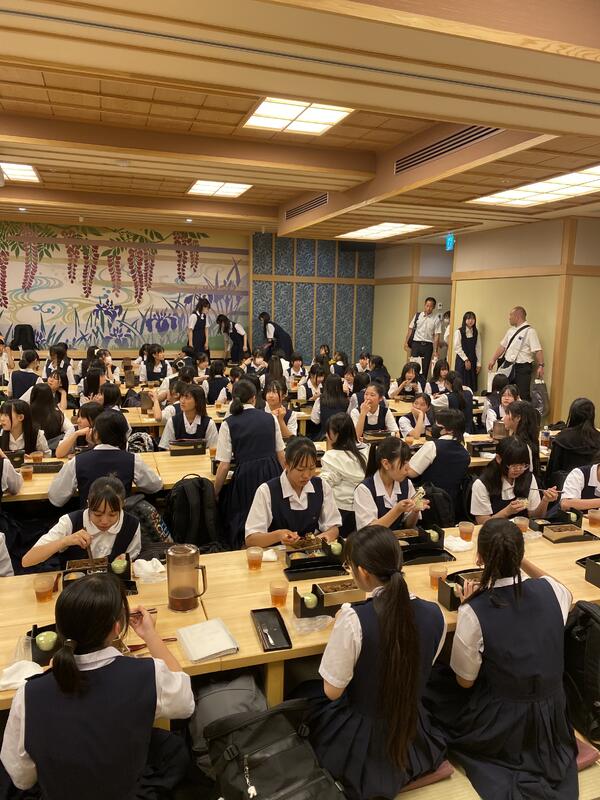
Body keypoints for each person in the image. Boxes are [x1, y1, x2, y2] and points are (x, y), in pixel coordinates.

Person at [0, 573, 194, 799]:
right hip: (125, 791)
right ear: (117, 627)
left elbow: (22, 778)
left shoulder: (28, 694)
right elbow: (185, 702)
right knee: (172, 747)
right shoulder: (149, 674)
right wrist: (150, 634)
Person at [431, 519, 577, 799]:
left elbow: (465, 682)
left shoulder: (474, 610)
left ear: (479, 558)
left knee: (437, 685)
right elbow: (555, 584)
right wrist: (519, 560)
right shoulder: (553, 591)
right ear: (520, 555)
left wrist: (467, 607)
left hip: (503, 722)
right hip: (553, 712)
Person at [302, 525, 446, 800]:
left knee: (305, 694)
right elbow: (425, 665)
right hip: (411, 729)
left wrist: (341, 630)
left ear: (363, 572)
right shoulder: (434, 613)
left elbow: (332, 691)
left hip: (362, 739)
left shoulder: (353, 619)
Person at [215, 379, 285, 547]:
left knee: (245, 518)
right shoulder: (270, 418)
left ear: (234, 398)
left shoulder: (228, 423)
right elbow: (281, 455)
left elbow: (224, 465)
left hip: (246, 476)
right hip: (272, 472)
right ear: (254, 398)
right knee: (272, 513)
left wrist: (215, 492)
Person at [48, 410, 163, 508]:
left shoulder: (77, 461)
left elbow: (56, 498)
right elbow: (155, 486)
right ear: (124, 436)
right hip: (121, 520)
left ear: (96, 434)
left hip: (89, 521)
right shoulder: (133, 460)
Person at [23, 476, 142, 568]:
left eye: (113, 514)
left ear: (122, 505)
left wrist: (125, 559)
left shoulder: (131, 525)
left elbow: (132, 557)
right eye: (98, 514)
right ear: (88, 504)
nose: (105, 521)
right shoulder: (70, 522)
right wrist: (65, 541)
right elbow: (27, 560)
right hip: (76, 586)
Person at [245, 437, 340, 548]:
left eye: (311, 468)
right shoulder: (267, 491)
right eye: (300, 469)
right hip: (277, 555)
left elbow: (333, 528)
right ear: (286, 464)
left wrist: (320, 539)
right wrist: (279, 535)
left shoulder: (321, 486)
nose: (307, 475)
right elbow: (251, 540)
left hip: (312, 553)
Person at [470, 437, 557, 524]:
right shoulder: (483, 484)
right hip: (495, 531)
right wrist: (507, 512)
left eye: (523, 465)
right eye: (513, 465)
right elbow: (482, 523)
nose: (518, 469)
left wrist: (545, 501)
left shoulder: (528, 478)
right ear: (499, 459)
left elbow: (535, 517)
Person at [354, 437, 425, 530]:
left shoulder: (406, 484)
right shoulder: (364, 489)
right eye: (403, 463)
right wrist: (397, 510)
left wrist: (415, 511)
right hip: (374, 539)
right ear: (386, 464)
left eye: (408, 462)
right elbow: (369, 531)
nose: (408, 469)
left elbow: (409, 526)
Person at [408, 408, 470, 509]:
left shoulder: (432, 446)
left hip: (427, 502)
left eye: (437, 423)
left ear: (449, 429)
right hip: (452, 505)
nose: (434, 426)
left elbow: (411, 473)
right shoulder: (465, 451)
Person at [320, 413, 368, 536]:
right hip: (364, 509)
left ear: (336, 434)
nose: (326, 435)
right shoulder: (365, 452)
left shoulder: (332, 457)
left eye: (329, 432)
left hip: (341, 512)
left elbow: (324, 484)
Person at [487, 306, 544, 401]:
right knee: (504, 392)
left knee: (522, 394)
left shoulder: (530, 332)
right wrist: (493, 359)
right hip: (508, 366)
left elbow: (537, 350)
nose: (509, 318)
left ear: (518, 316)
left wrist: (541, 366)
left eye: (511, 315)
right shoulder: (510, 331)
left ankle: (522, 411)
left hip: (522, 368)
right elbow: (502, 346)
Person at [547, 398, 600, 483]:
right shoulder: (597, 438)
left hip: (565, 484)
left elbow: (552, 471)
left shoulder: (562, 438)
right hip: (592, 486)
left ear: (572, 415)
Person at [159, 385, 218, 450]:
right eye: (181, 397)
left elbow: (213, 449)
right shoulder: (173, 421)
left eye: (187, 397)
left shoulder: (209, 423)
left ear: (198, 401)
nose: (182, 401)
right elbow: (166, 448)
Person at [404, 297, 441, 380]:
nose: (428, 308)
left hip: (428, 345)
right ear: (424, 305)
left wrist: (435, 350)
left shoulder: (436, 319)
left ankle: (422, 385)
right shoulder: (418, 316)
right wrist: (406, 342)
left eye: (431, 306)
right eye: (427, 306)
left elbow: (436, 336)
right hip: (416, 344)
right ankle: (411, 383)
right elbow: (410, 329)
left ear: (434, 307)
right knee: (413, 366)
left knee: (424, 368)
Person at [29, 383, 74, 451]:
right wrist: (61, 444)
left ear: (32, 396)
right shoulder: (57, 413)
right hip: (54, 450)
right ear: (51, 396)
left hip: (33, 452)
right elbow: (71, 428)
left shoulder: (26, 413)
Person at [503, 400, 541, 477]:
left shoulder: (520, 445)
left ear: (518, 418)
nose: (504, 418)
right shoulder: (527, 438)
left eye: (507, 414)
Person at [310, 375, 349, 440]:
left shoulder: (320, 400)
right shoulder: (346, 401)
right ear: (340, 386)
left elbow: (315, 420)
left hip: (325, 437)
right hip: (342, 438)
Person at [454, 311, 481, 392]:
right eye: (468, 319)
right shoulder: (459, 331)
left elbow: (478, 348)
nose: (471, 321)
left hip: (472, 360)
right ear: (464, 320)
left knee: (471, 384)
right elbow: (457, 347)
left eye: (473, 319)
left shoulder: (476, 332)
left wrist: (479, 363)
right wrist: (466, 359)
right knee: (461, 383)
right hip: (461, 360)